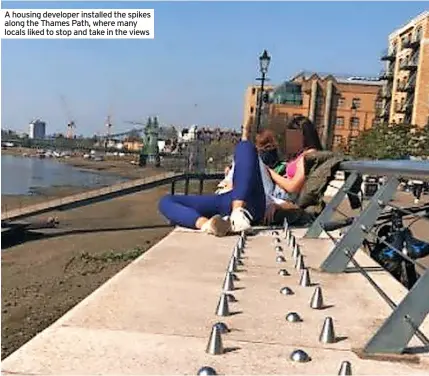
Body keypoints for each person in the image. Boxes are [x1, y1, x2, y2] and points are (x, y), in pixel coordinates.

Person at [159, 140, 266, 236]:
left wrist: (279, 206)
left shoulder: (258, 162)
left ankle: (238, 213)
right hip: (224, 199)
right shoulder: (233, 165)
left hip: (248, 197)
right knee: (165, 201)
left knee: (245, 145)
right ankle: (209, 225)